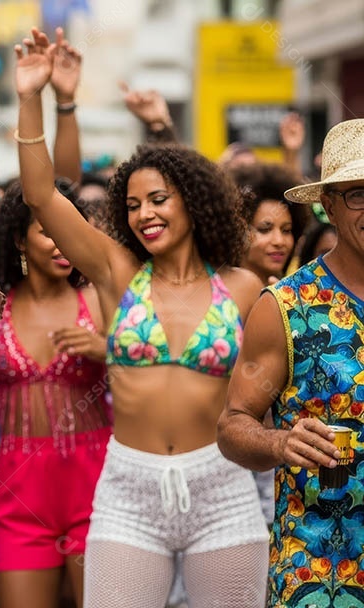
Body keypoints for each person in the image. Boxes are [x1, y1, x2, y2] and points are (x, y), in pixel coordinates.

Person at [13, 28, 268, 607]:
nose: (145, 214)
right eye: (132, 204)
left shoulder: (245, 287)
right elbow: (40, 197)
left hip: (223, 488)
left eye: (159, 199)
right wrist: (32, 96)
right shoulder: (116, 271)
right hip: (128, 489)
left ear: (193, 201)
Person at [218, 118, 364, 607]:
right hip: (320, 569)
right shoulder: (285, 306)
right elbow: (233, 426)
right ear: (328, 205)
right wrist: (281, 442)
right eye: (358, 194)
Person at [0, 182, 111, 608]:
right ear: (18, 239)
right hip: (18, 492)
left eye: (68, 231)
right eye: (48, 232)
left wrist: (107, 349)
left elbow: (148, 374)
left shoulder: (99, 300)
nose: (62, 243)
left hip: (98, 485)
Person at [230, 163, 310, 285]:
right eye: (264, 229)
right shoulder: (219, 298)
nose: (279, 241)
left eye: (286, 230)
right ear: (238, 231)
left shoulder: (297, 295)